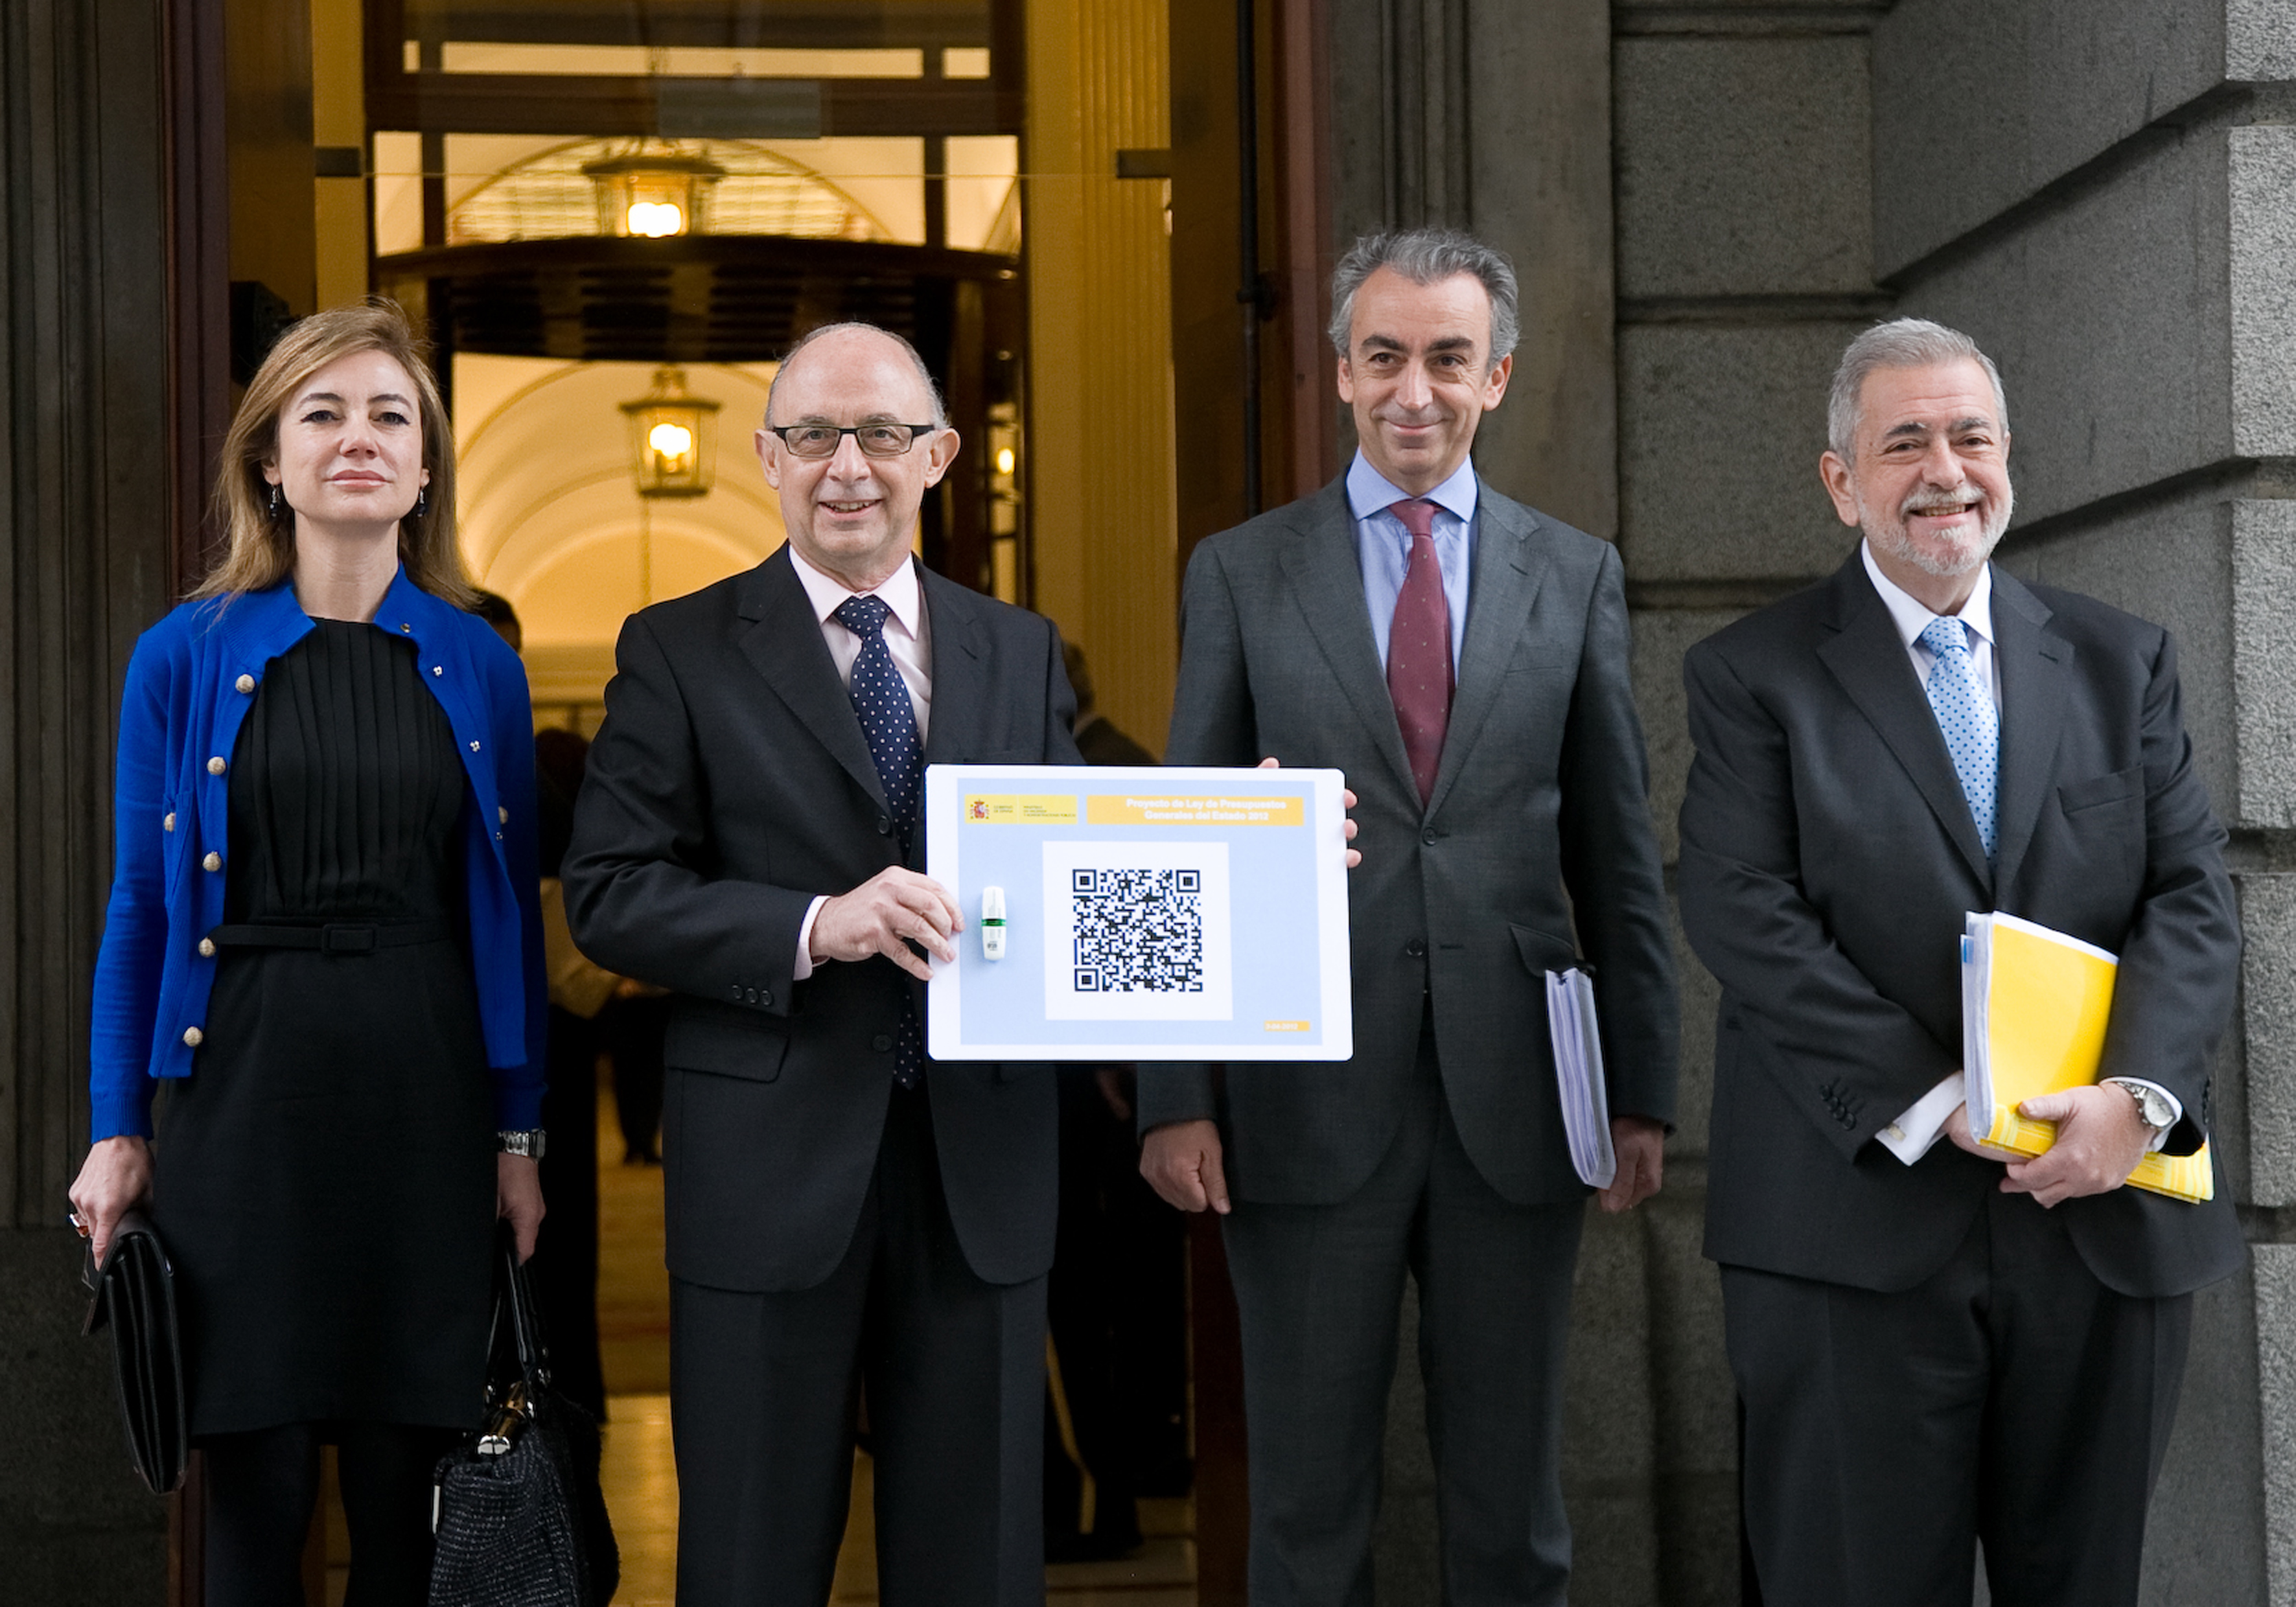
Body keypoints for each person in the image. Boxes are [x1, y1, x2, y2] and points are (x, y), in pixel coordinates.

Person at [1137, 228, 1680, 1605]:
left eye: (1447, 358)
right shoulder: (1241, 574)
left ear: (1495, 376)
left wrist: (1641, 1094)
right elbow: (1179, 845)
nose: (1413, 390)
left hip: (1519, 1100)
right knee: (1308, 1509)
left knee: (1512, 1506)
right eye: (1383, 357)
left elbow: (1619, 859)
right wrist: (1172, 1095)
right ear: (1338, 371)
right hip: (1297, 1098)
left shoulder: (1577, 574)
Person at [1676, 318, 2244, 1605]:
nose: (1944, 469)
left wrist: (2131, 1101)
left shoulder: (2119, 660)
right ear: (1839, 480)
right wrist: (1943, 1104)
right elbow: (1742, 915)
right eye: (1903, 442)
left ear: (2006, 460)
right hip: (1854, 1230)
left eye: (1969, 437)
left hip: (2098, 1218)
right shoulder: (1749, 677)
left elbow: (2190, 901)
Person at [560, 321, 1087, 1607]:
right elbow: (610, 895)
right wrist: (813, 924)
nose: (846, 464)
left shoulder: (1015, 648)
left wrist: (1248, 835)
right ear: (765, 457)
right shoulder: (675, 646)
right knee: (749, 1557)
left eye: (883, 435)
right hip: (767, 1165)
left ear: (941, 456)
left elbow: (1080, 861)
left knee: (975, 1564)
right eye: (811, 435)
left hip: (980, 1162)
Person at [67, 299, 548, 1602]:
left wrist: (517, 1139)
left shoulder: (479, 663)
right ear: (270, 462)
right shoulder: (184, 653)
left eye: (390, 415)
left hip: (422, 1092)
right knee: (256, 1485)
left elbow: (505, 920)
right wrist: (121, 1125)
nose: (358, 439)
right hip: (237, 1099)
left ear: (426, 466)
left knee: (409, 1489)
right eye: (321, 414)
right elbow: (141, 904)